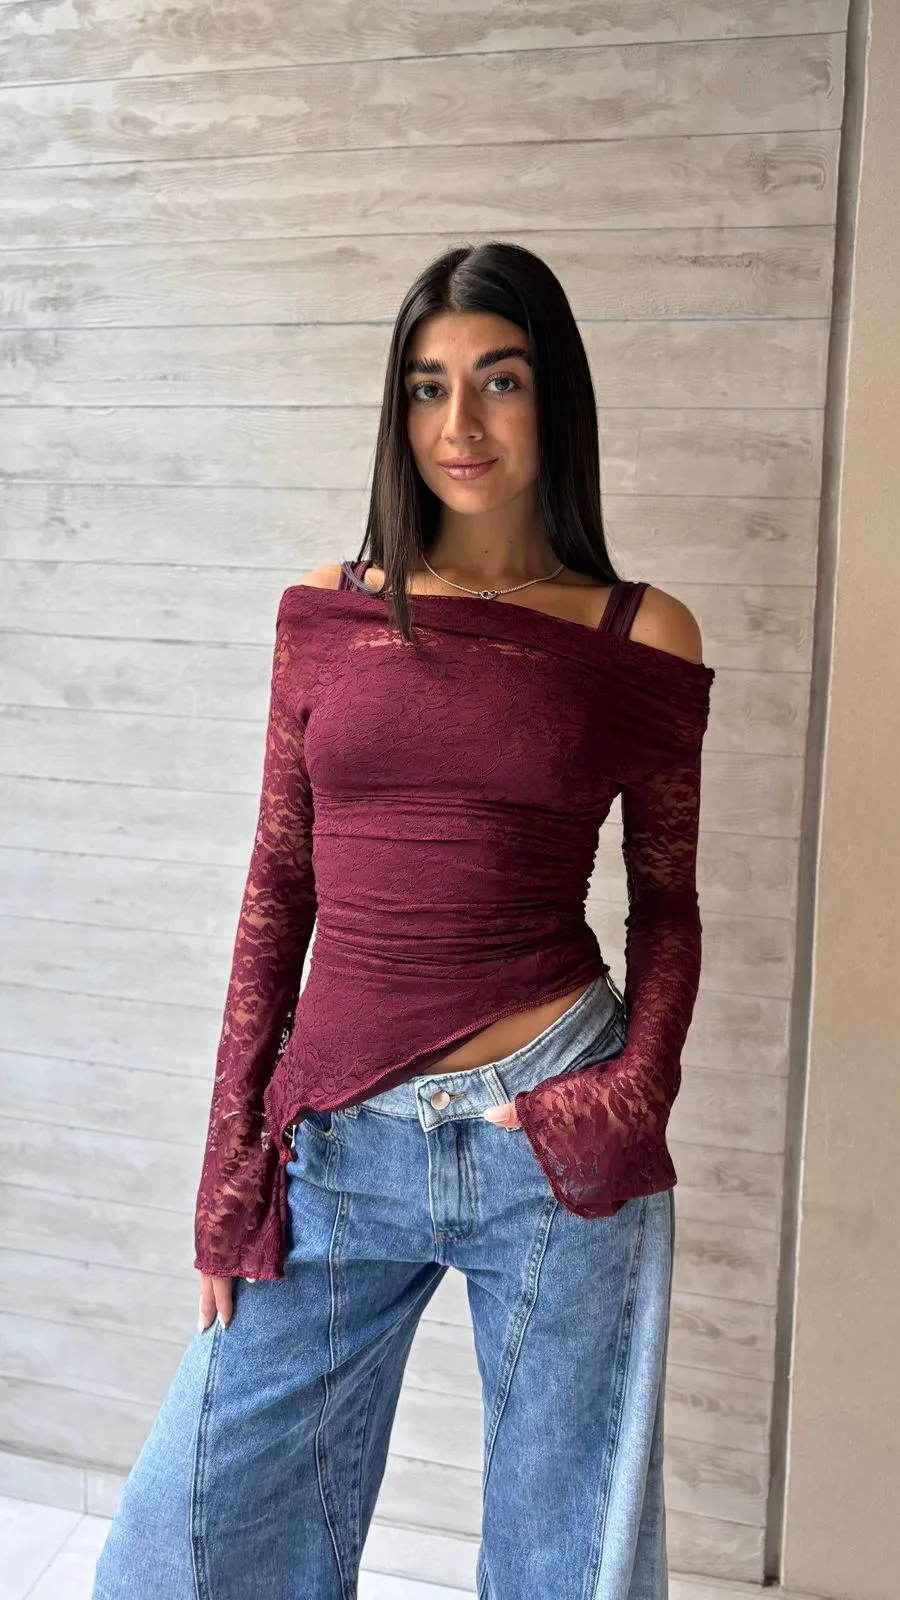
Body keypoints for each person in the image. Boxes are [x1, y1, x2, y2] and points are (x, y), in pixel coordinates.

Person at [93, 240, 714, 1599]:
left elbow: (668, 903)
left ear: (556, 400)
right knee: (177, 1557)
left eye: (501, 380)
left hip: (553, 1131)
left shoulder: (638, 632)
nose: (461, 423)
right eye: (429, 386)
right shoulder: (329, 612)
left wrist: (630, 1093)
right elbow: (277, 890)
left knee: (565, 1564)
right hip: (334, 1143)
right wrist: (229, 1173)